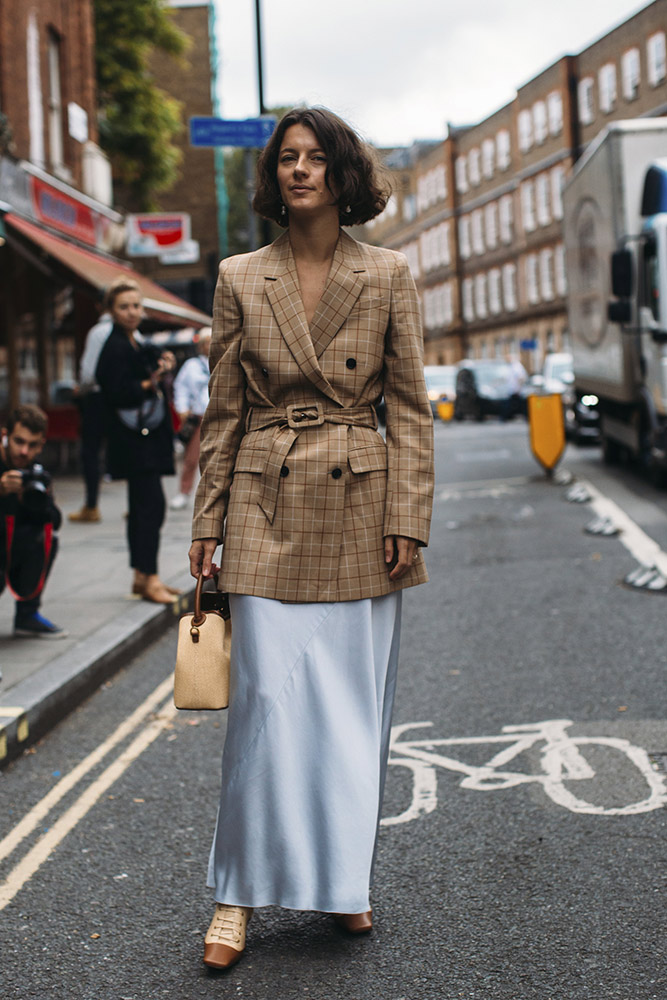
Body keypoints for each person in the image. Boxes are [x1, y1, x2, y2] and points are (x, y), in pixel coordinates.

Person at [188, 106, 434, 970]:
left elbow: (405, 406)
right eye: (287, 158)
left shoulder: (389, 274)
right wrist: (205, 520)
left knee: (346, 715)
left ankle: (342, 884)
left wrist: (409, 515)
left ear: (342, 174)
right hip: (264, 497)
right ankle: (234, 897)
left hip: (362, 507)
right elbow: (224, 410)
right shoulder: (237, 276)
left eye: (315, 158)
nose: (299, 171)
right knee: (262, 710)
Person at [95, 277, 178, 604]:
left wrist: (164, 360)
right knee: (149, 507)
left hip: (142, 437)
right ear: (111, 311)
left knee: (144, 507)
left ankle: (141, 576)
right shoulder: (114, 346)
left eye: (136, 306)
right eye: (124, 306)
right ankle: (150, 577)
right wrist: (148, 383)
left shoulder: (134, 340)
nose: (131, 312)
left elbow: (152, 354)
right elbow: (113, 390)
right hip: (134, 439)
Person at [0, 404, 67, 639]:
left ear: (41, 445)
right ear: (4, 435)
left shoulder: (36, 473)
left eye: (32, 445)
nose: (24, 452)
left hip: (12, 548)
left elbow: (55, 521)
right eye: (19, 442)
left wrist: (40, 501)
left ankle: (27, 615)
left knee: (47, 538)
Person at [68, 301, 114, 523]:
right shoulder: (131, 334)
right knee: (124, 449)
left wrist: (80, 389)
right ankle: (133, 505)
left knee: (91, 453)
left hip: (97, 399)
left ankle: (92, 504)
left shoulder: (98, 332)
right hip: (121, 399)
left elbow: (88, 374)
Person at [169, 327, 212, 510]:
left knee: (220, 457)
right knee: (191, 458)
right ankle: (184, 492)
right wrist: (182, 408)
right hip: (198, 416)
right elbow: (181, 387)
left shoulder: (226, 361)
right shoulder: (191, 365)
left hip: (219, 416)